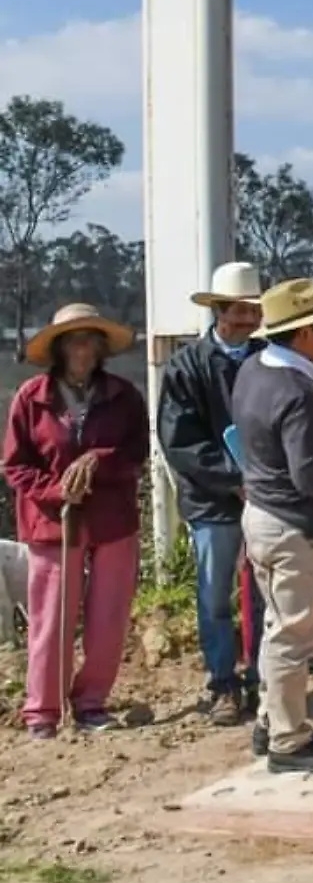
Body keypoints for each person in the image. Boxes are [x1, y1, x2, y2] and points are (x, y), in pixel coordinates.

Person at [231, 279, 313, 772]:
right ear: (306, 331)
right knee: (294, 636)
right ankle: (289, 740)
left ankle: (275, 719)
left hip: (263, 514)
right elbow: (310, 475)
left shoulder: (252, 371)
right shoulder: (296, 390)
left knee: (277, 627)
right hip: (293, 524)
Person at [4, 303, 148, 741]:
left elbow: (136, 453)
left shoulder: (124, 396)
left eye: (89, 339)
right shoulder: (31, 398)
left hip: (112, 519)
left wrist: (97, 462)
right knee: (50, 619)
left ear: (101, 346)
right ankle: (42, 711)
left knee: (109, 616)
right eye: (73, 339)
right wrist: (56, 490)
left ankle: (90, 703)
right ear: (59, 347)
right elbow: (14, 465)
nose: (81, 348)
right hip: (52, 522)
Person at [158, 262, 266, 728]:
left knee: (267, 594)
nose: (245, 321)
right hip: (212, 503)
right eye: (237, 312)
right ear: (218, 310)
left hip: (268, 498)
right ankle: (223, 682)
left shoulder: (269, 359)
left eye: (252, 312)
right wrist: (232, 478)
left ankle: (266, 678)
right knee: (214, 596)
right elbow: (180, 440)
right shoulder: (187, 367)